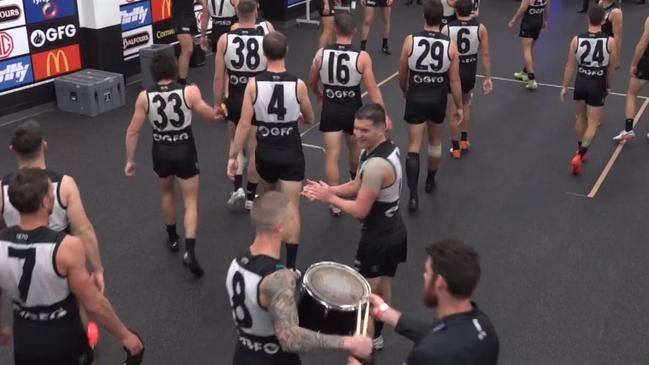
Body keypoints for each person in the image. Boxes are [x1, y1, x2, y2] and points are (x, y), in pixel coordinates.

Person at [0, 168, 144, 365]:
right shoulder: (66, 246)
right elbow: (94, 304)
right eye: (51, 192)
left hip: (26, 341)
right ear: (44, 202)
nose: (53, 196)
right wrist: (126, 336)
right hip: (64, 340)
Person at [303, 104, 408, 351]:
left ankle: (364, 347)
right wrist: (328, 190)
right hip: (394, 231)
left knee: (364, 297)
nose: (358, 135)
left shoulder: (376, 166)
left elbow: (360, 210)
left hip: (378, 238)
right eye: (356, 129)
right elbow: (356, 185)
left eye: (365, 130)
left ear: (381, 129)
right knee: (382, 284)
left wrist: (329, 199)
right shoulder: (378, 150)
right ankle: (378, 334)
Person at [225, 191, 373, 365]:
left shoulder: (236, 264)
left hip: (243, 356)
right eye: (292, 217)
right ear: (280, 226)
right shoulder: (278, 278)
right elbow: (290, 339)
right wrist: (348, 342)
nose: (296, 221)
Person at [228, 31, 315, 270]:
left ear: (264, 54)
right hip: (291, 151)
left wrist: (233, 155)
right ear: (286, 51)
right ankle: (291, 267)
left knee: (270, 202)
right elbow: (310, 117)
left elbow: (245, 124)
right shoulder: (298, 85)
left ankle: (269, 257)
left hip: (266, 152)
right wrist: (297, 115)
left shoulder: (254, 84)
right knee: (292, 208)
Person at [125, 53, 217, 277]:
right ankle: (190, 251)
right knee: (191, 201)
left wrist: (130, 160)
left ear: (154, 73)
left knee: (167, 194)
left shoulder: (144, 97)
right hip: (185, 149)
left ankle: (173, 239)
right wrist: (209, 103)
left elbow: (133, 130)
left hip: (161, 150)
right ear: (175, 70)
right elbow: (210, 115)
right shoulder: (189, 91)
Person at [348, 239, 499, 365]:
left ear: (440, 283)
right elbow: (438, 334)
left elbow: (436, 344)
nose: (424, 277)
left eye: (427, 272)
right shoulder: (483, 325)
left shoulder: (426, 356)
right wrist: (386, 312)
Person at [0, 120, 105, 293]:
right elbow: (83, 230)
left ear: (12, 149)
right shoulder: (64, 185)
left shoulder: (2, 189)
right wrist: (98, 268)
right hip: (60, 258)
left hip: (18, 266)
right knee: (78, 303)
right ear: (44, 145)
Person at [309, 13, 391, 216]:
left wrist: (319, 93)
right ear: (354, 32)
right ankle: (357, 184)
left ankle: (334, 202)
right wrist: (384, 115)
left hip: (331, 109)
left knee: (332, 156)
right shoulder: (362, 57)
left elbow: (312, 80)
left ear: (335, 30)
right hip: (353, 112)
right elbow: (373, 89)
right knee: (354, 149)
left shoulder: (321, 54)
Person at [398, 0, 463, 212]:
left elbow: (402, 73)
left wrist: (404, 89)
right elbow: (454, 81)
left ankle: (413, 195)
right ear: (441, 18)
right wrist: (459, 105)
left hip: (416, 96)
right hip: (437, 98)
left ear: (424, 17)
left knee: (414, 145)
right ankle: (430, 180)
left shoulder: (410, 41)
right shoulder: (450, 45)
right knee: (435, 142)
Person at [214, 0, 274, 211]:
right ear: (256, 11)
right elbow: (274, 70)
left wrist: (217, 103)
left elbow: (219, 77)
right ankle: (250, 196)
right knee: (255, 147)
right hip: (258, 97)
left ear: (236, 12)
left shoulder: (225, 39)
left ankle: (236, 187)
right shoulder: (267, 37)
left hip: (236, 98)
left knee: (234, 143)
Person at [560, 5, 618, 175]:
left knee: (580, 117)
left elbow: (570, 66)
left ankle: (580, 148)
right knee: (593, 123)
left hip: (581, 81)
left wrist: (564, 87)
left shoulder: (576, 40)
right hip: (597, 83)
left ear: (588, 19)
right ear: (603, 20)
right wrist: (609, 85)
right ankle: (580, 154)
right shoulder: (610, 41)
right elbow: (611, 68)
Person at [443, 0, 493, 158]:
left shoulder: (447, 28)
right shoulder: (481, 28)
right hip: (469, 70)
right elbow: (485, 54)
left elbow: (442, 54)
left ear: (456, 11)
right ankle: (464, 140)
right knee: (466, 104)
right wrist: (487, 77)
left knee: (453, 108)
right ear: (472, 10)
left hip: (453, 72)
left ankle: (455, 147)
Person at [614, 16, 649, 142]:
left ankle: (628, 130)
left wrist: (634, 63)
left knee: (632, 93)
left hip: (646, 61)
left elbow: (643, 41)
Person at [508, 0, 550, 90]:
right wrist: (545, 20)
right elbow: (547, 6)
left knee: (526, 51)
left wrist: (513, 20)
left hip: (529, 23)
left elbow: (523, 7)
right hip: (538, 21)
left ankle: (531, 80)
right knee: (531, 49)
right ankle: (525, 72)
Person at [173, 0, 207, 84]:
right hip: (180, 17)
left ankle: (182, 77)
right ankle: (181, 81)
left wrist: (204, 3)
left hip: (190, 15)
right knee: (188, 49)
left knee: (190, 48)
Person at [599, 0, 622, 66]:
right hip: (597, 44)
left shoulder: (616, 12)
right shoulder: (601, 3)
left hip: (607, 47)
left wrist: (616, 57)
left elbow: (617, 36)